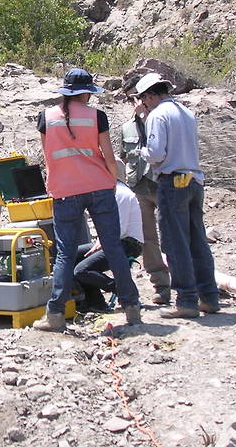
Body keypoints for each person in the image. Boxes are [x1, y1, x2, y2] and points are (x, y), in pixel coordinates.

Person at [33, 68, 141, 332]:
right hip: (99, 187)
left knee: (64, 254)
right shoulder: (97, 117)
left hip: (65, 191)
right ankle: (132, 308)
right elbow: (108, 155)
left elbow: (49, 157)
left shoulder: (45, 118)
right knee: (113, 247)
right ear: (86, 93)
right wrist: (111, 182)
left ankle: (55, 314)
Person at [134, 73, 220, 319]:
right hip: (195, 180)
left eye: (144, 99)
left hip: (172, 181)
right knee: (197, 240)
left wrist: (142, 151)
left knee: (175, 242)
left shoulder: (158, 115)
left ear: (149, 95)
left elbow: (156, 153)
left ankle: (185, 300)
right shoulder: (186, 112)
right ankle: (209, 297)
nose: (144, 104)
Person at [120, 75, 172, 305]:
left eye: (140, 97)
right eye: (133, 98)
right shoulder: (126, 128)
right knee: (148, 239)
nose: (138, 102)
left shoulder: (161, 119)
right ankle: (161, 285)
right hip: (139, 186)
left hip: (163, 184)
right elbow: (123, 158)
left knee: (175, 235)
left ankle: (191, 283)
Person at [73, 159, 144, 311]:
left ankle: (122, 289)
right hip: (114, 240)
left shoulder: (121, 194)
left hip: (128, 244)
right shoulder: (113, 192)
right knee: (72, 255)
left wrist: (101, 244)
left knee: (81, 270)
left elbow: (119, 230)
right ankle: (95, 301)